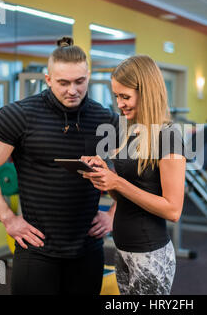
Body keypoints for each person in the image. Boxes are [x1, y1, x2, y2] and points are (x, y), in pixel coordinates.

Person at [0, 37, 118, 295]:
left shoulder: (104, 118)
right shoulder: (20, 115)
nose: (73, 90)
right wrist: (8, 218)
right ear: (48, 80)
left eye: (79, 81)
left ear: (88, 77)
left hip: (88, 250)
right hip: (36, 252)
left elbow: (140, 171)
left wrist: (114, 214)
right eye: (63, 82)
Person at [82, 55, 186, 295]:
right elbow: (125, 196)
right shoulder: (131, 131)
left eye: (125, 96)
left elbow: (173, 210)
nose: (119, 104)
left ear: (146, 92)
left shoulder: (169, 136)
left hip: (150, 252)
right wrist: (105, 176)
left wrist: (118, 181)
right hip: (123, 248)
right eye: (117, 96)